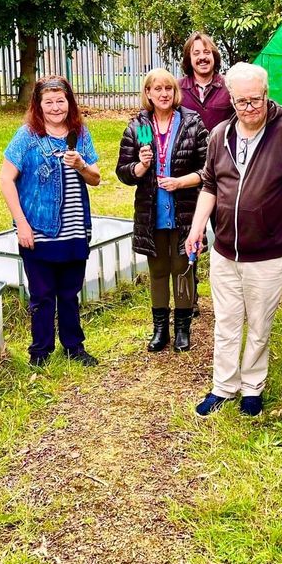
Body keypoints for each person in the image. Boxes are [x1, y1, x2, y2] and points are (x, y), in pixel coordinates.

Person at [185, 62, 282, 417]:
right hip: (224, 251)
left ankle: (252, 388)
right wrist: (197, 227)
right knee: (226, 322)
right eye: (242, 101)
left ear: (266, 95)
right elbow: (210, 185)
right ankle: (223, 386)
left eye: (255, 100)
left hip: (267, 254)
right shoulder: (219, 135)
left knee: (259, 326)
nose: (249, 108)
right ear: (230, 99)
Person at [0, 75, 101, 368]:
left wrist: (81, 164)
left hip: (74, 230)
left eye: (61, 101)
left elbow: (96, 179)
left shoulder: (80, 134)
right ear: (38, 105)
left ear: (69, 102)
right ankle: (40, 352)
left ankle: (73, 347)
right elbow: (5, 178)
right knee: (42, 296)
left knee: (70, 293)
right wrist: (22, 224)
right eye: (49, 102)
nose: (56, 108)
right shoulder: (27, 137)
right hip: (39, 231)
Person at [115, 68, 209, 353]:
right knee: (157, 270)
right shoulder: (140, 126)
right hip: (152, 212)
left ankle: (182, 329)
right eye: (157, 89)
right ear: (148, 93)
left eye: (168, 88)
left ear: (175, 91)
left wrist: (182, 181)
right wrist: (141, 166)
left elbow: (209, 170)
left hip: (184, 210)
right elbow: (123, 171)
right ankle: (160, 330)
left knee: (182, 269)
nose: (164, 94)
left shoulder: (191, 123)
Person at [178, 32, 233, 133]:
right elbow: (145, 117)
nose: (202, 57)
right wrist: (144, 141)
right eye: (196, 53)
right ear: (189, 58)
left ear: (214, 56)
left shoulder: (230, 85)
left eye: (207, 52)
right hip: (188, 149)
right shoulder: (176, 89)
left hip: (222, 148)